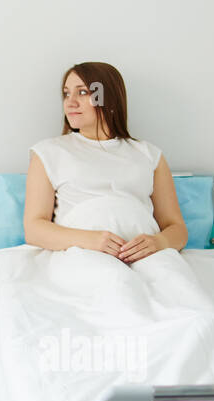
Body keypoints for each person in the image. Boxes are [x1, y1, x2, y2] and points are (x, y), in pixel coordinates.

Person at [23, 61, 187, 265]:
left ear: (108, 99)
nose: (70, 102)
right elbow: (34, 229)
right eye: (66, 94)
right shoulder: (48, 152)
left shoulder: (148, 155)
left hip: (147, 260)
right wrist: (90, 240)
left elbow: (177, 228)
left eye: (82, 92)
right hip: (79, 258)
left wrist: (159, 242)